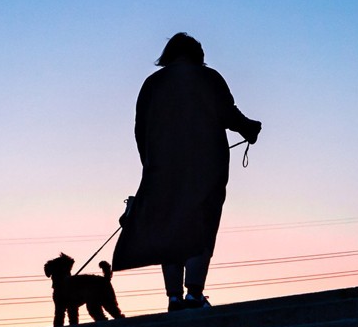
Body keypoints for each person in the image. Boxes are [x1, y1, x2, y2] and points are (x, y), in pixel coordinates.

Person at [112, 32, 262, 311]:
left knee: (170, 226)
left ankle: (173, 297)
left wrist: (150, 164)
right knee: (200, 223)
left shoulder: (152, 84)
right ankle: (194, 292)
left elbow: (139, 130)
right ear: (198, 55)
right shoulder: (209, 78)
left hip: (162, 168)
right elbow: (228, 114)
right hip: (206, 166)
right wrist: (250, 128)